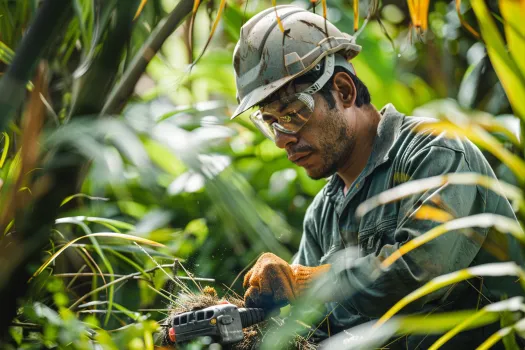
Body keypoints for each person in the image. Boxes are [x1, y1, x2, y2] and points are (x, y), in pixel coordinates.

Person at [230, 5, 524, 349]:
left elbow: (419, 273)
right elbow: (308, 327)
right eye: (271, 123)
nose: (282, 139)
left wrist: (303, 281)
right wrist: (241, 318)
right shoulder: (323, 214)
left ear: (343, 91)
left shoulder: (436, 154)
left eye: (294, 113)